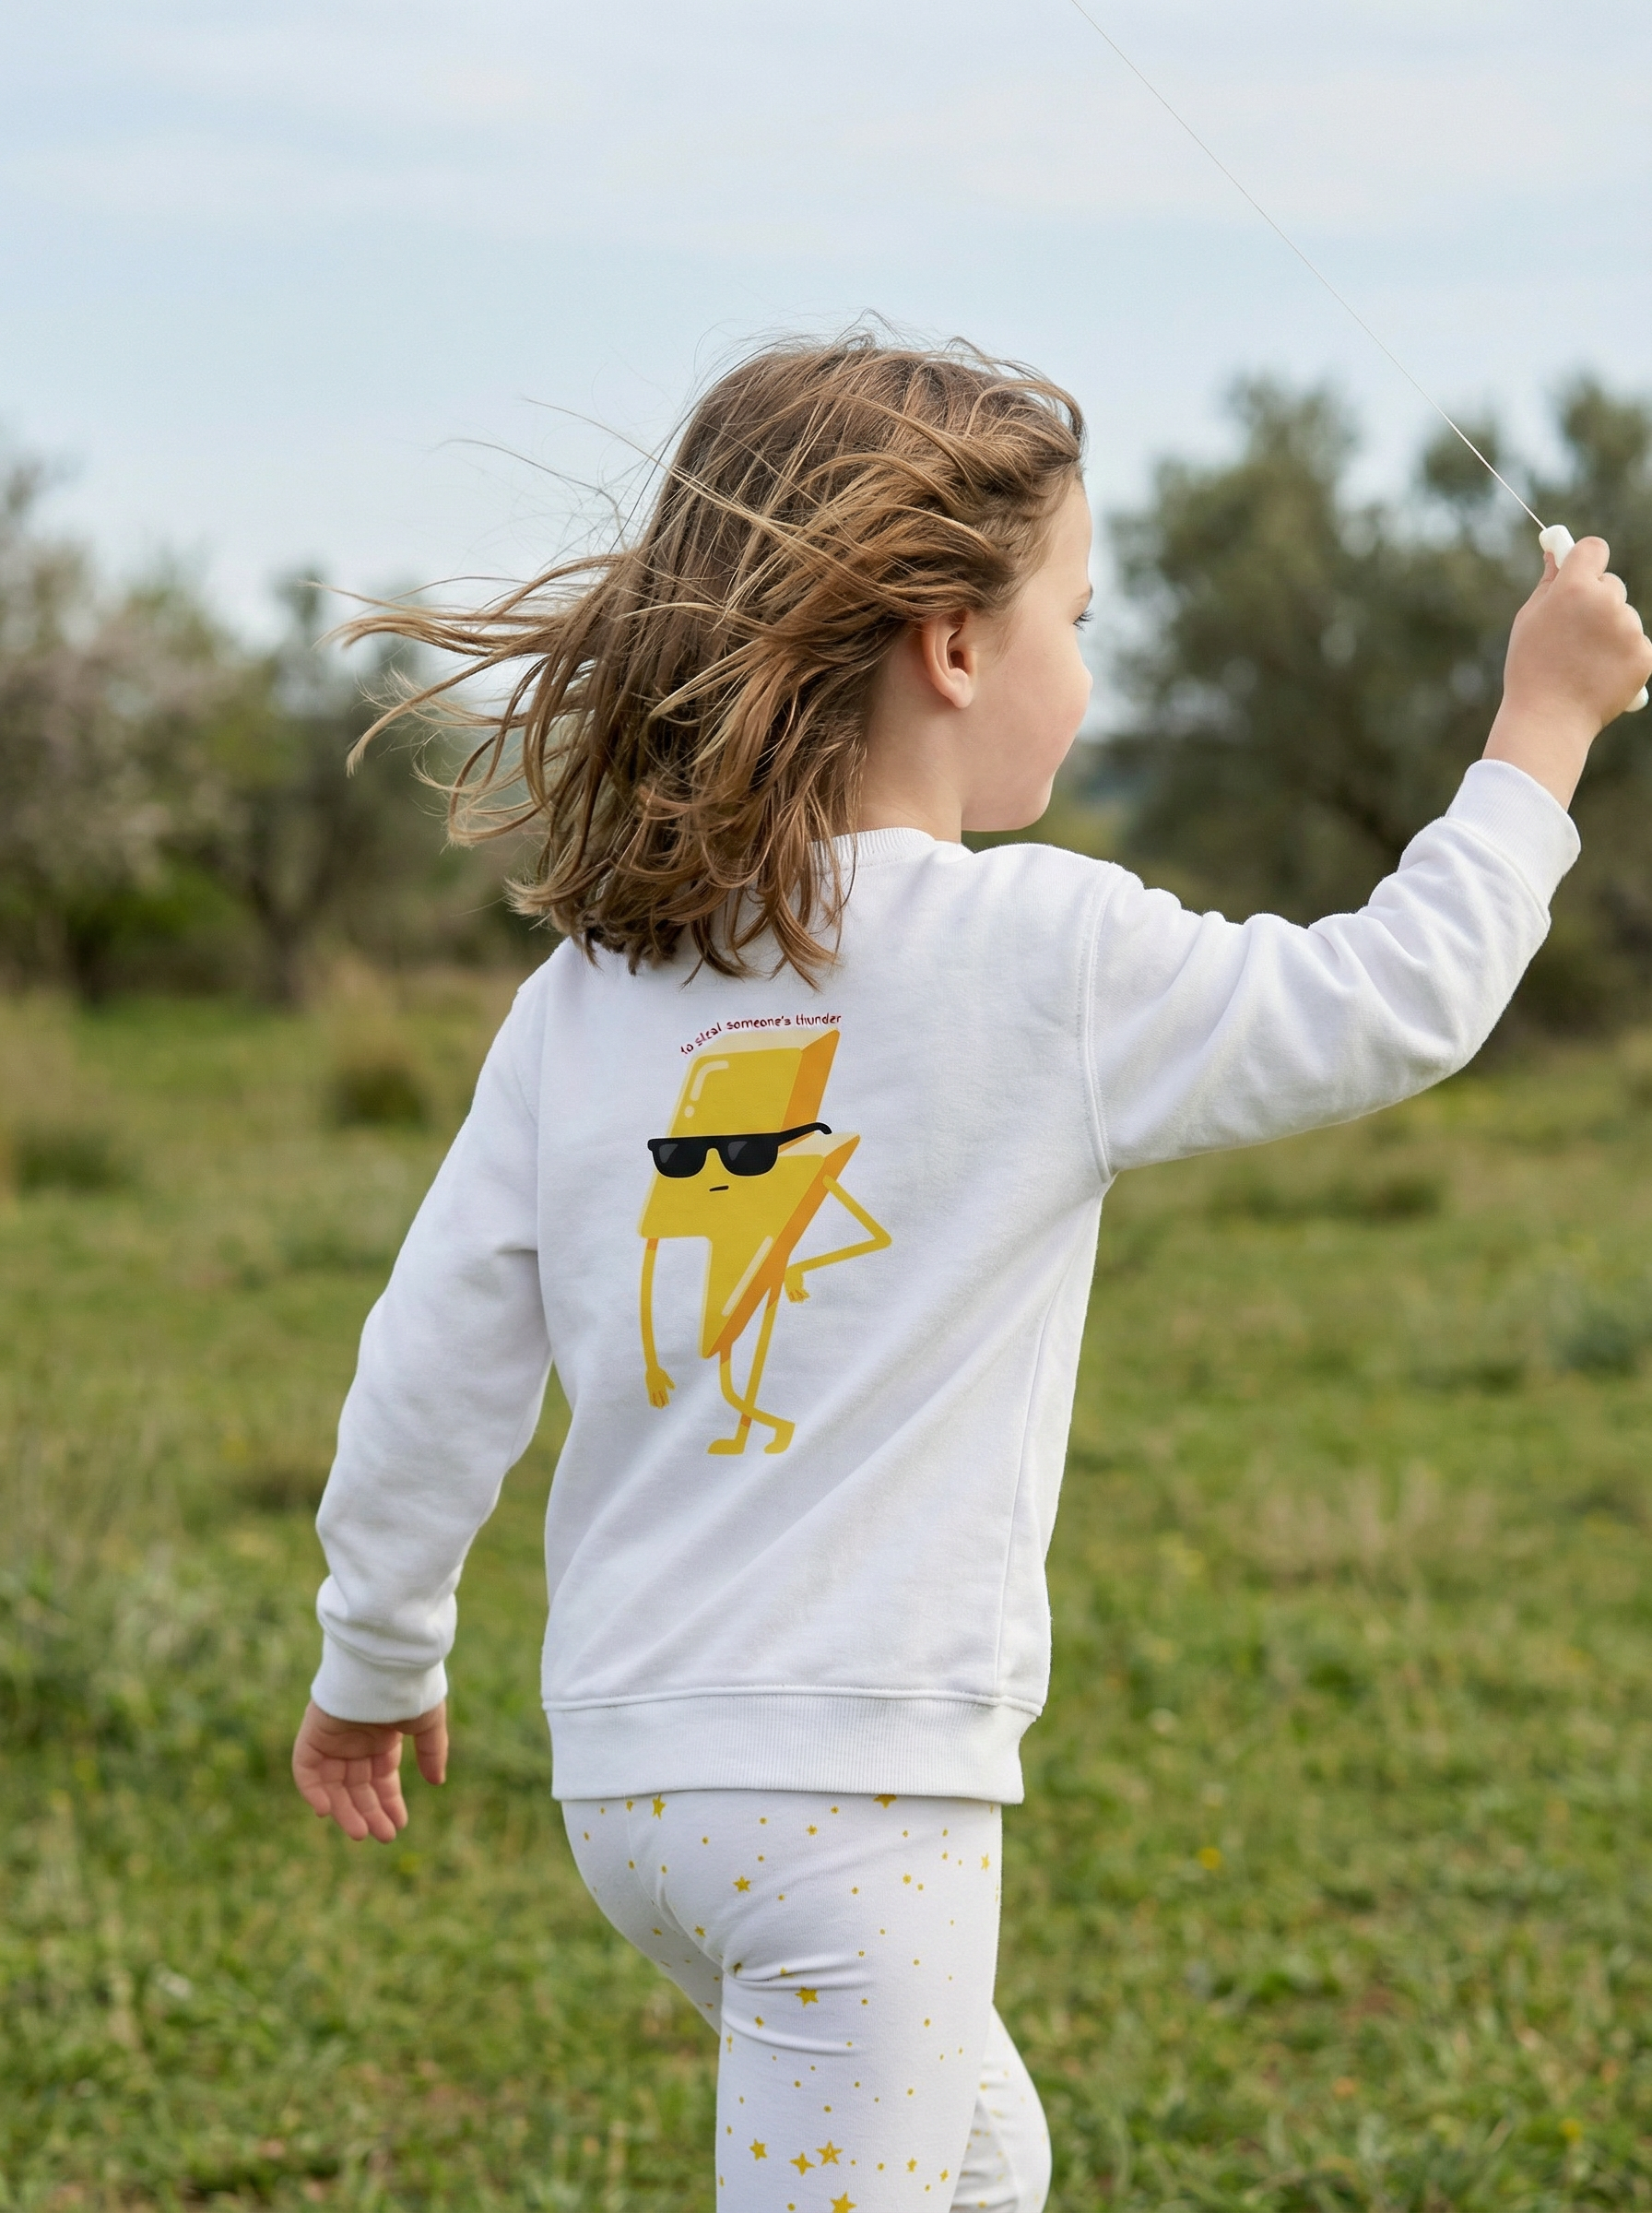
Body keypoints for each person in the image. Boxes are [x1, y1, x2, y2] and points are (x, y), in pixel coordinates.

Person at [289, 336, 1652, 2212]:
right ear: (950, 644)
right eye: (1074, 618)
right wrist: (1542, 728)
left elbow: (432, 1360)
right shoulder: (1041, 946)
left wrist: (376, 1656)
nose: (1086, 676)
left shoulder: (593, 990)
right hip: (863, 1799)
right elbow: (1387, 998)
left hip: (635, 1784)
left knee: (981, 2158)